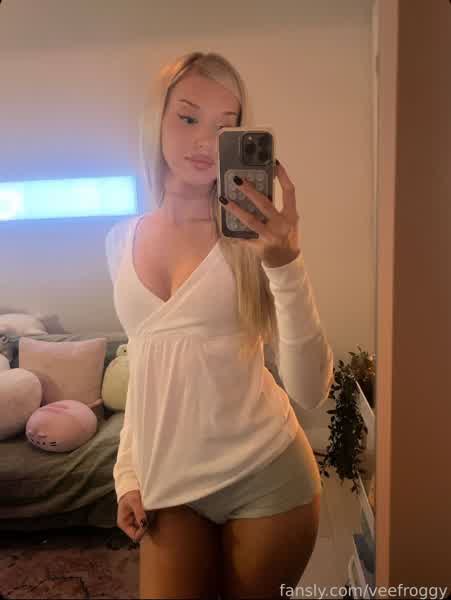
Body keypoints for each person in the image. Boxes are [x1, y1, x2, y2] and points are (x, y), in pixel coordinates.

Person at [105, 51, 334, 600]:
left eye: (224, 127)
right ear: (157, 120)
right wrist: (128, 474)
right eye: (188, 117)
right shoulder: (119, 240)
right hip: (170, 482)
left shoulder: (251, 236)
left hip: (267, 477)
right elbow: (146, 368)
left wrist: (286, 264)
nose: (204, 142)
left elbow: (309, 390)